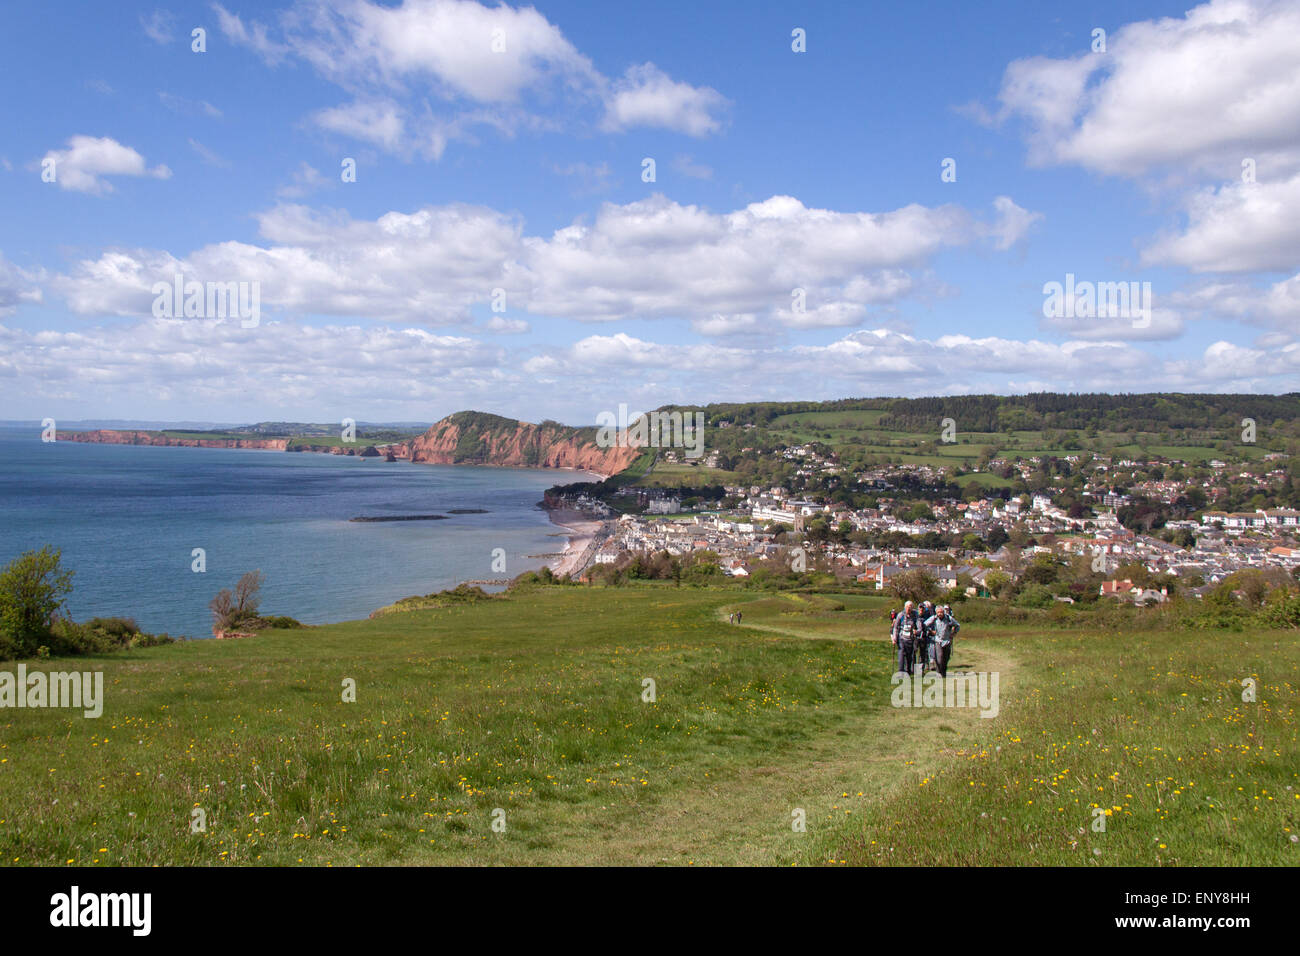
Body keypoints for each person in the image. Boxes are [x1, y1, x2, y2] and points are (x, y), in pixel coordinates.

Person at [890, 600, 921, 677]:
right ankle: (900, 671)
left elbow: (919, 627)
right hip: (901, 638)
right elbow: (895, 627)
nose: (908, 609)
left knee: (909, 656)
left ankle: (907, 671)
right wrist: (894, 638)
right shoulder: (900, 615)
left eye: (910, 607)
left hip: (911, 639)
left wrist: (916, 631)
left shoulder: (915, 615)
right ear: (904, 607)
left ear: (912, 608)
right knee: (901, 654)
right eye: (907, 607)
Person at [930, 604, 960, 677]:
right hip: (938, 640)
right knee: (939, 658)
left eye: (941, 612)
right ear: (936, 613)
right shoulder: (934, 618)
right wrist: (930, 631)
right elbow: (925, 624)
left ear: (943, 612)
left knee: (946, 658)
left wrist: (954, 633)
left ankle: (943, 672)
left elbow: (957, 625)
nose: (940, 614)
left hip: (947, 641)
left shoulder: (948, 618)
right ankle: (938, 672)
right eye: (938, 612)